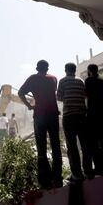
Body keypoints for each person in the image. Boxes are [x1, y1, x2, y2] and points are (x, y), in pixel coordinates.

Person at [18, 60, 63, 189]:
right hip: (53, 115)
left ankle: (45, 181)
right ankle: (58, 178)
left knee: (41, 149)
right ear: (47, 68)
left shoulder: (32, 79)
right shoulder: (54, 79)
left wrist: (29, 105)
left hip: (40, 116)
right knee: (56, 147)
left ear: (37, 68)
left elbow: (21, 93)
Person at [57, 63, 94, 181]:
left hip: (69, 117)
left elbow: (59, 97)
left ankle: (77, 175)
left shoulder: (62, 81)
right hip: (82, 116)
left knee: (72, 146)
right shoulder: (81, 81)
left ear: (65, 70)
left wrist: (67, 97)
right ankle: (88, 171)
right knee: (85, 145)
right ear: (75, 70)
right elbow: (85, 96)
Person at [85, 64, 103, 175]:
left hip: (92, 115)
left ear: (90, 71)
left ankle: (98, 167)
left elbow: (86, 94)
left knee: (93, 143)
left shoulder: (88, 81)